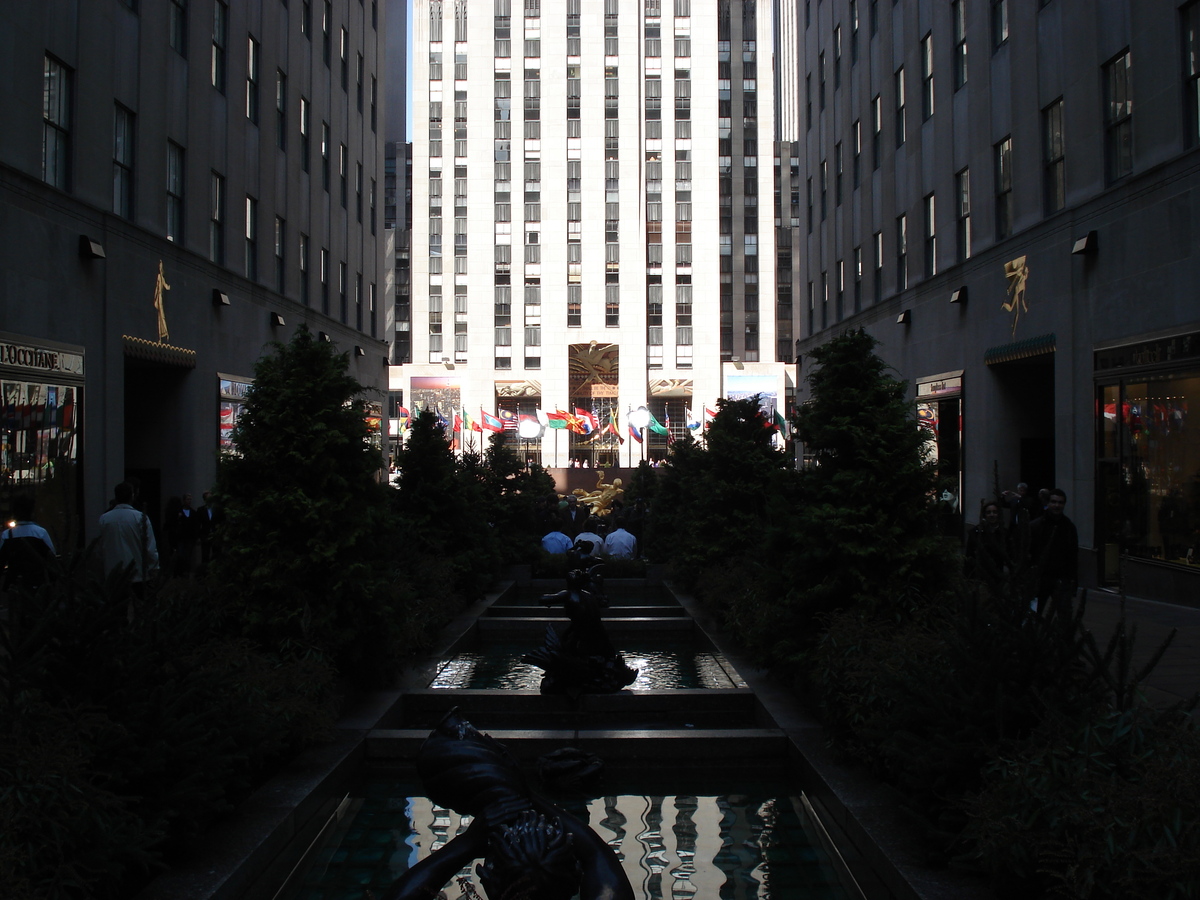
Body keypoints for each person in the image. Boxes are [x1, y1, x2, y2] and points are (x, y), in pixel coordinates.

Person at [99, 482, 159, 601]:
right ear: (132, 496)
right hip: (138, 574)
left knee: (117, 611)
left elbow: (102, 547)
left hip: (114, 573)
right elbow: (150, 548)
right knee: (141, 610)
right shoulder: (140, 517)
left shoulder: (105, 519)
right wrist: (154, 567)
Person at [1026, 487, 1078, 614]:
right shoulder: (1036, 526)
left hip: (1062, 578)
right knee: (1034, 614)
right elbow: (1028, 552)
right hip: (1040, 579)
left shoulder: (1069, 527)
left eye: (1060, 502)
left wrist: (1073, 582)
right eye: (1054, 502)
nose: (1057, 505)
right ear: (1048, 503)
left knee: (1064, 616)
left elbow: (1073, 555)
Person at [0, 495, 56, 589]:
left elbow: (1, 560)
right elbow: (51, 557)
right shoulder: (40, 533)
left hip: (14, 583)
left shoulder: (7, 535)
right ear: (32, 512)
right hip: (37, 583)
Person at [964, 500, 1008, 587]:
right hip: (980, 574)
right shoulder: (976, 533)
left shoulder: (1005, 533)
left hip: (998, 573)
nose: (992, 515)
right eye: (989, 512)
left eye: (994, 512)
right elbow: (969, 554)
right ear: (984, 515)